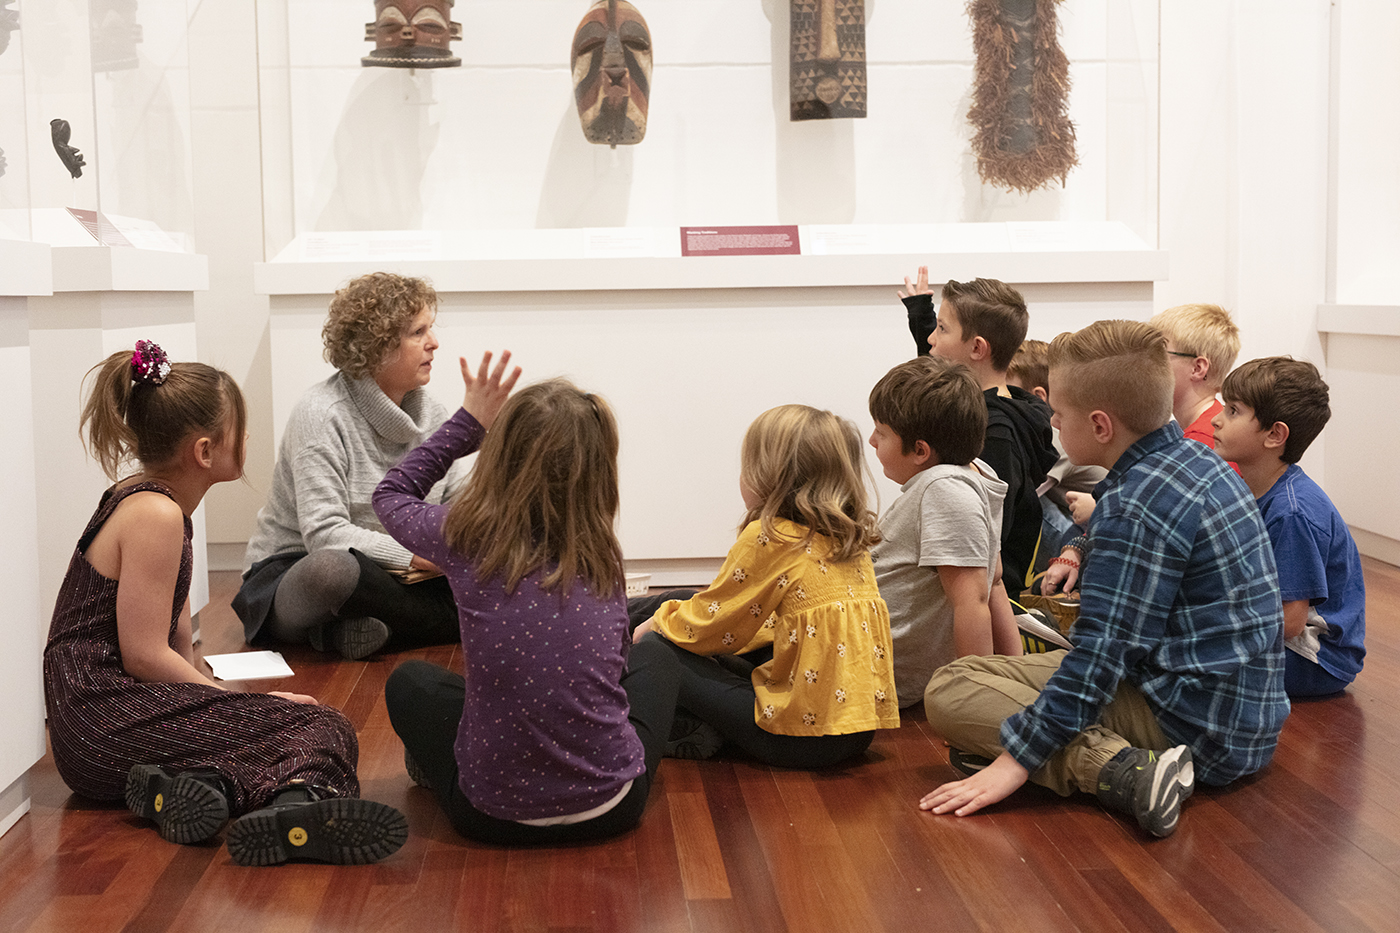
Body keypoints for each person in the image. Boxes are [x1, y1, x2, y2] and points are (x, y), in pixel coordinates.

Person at [920, 320, 1288, 838]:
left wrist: (1014, 762)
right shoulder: (1194, 458)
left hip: (1197, 728)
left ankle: (1126, 774)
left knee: (950, 691)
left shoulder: (1135, 506)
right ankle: (1083, 758)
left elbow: (1101, 657)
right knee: (982, 681)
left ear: (1099, 426)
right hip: (1244, 714)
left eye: (1059, 413)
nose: (1051, 419)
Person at [45, 342, 406, 866]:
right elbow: (144, 655)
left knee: (287, 721)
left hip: (98, 726)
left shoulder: (154, 502)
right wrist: (231, 701)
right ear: (205, 451)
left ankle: (192, 789)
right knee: (323, 726)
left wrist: (223, 703)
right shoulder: (156, 515)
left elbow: (169, 636)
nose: (250, 437)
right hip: (100, 723)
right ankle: (299, 806)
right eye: (240, 428)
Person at [376, 358, 684, 843]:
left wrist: (466, 425)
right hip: (611, 809)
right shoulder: (602, 549)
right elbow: (618, 667)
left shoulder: (466, 534)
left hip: (490, 816)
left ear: (499, 455)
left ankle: (441, 764)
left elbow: (392, 493)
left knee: (412, 681)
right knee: (660, 657)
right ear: (599, 467)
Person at [631, 404, 901, 768]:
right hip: (857, 732)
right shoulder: (848, 540)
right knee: (681, 601)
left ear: (770, 476)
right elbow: (762, 624)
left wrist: (655, 627)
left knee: (656, 647)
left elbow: (713, 624)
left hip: (800, 739)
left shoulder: (772, 536)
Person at [234, 272, 467, 659]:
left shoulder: (435, 413)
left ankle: (350, 632)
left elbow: (460, 502)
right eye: (418, 332)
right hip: (300, 568)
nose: (434, 343)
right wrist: (412, 556)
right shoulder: (320, 414)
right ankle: (431, 623)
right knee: (334, 571)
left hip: (407, 575)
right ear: (378, 347)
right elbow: (324, 535)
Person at [1045, 302, 1241, 583]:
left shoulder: (1202, 444)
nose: (1146, 361)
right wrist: (1076, 545)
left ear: (1198, 367)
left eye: (1160, 352)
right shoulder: (1173, 443)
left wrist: (1100, 512)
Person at [867, 356, 1022, 708]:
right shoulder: (974, 475)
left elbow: (973, 601)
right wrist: (1017, 672)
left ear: (920, 451)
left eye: (883, 432)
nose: (872, 440)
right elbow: (993, 581)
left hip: (875, 675)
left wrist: (975, 701)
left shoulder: (945, 490)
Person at [1212, 357, 1366, 697]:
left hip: (1313, 657)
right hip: (1285, 642)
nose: (1216, 419)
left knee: (1182, 658)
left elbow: (1290, 623)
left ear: (1274, 434)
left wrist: (1210, 628)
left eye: (1233, 411)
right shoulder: (1254, 488)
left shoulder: (1292, 512)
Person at [908, 273, 1059, 591]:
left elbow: (983, 542)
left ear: (977, 348)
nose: (932, 340)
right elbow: (938, 377)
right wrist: (921, 315)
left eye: (942, 329)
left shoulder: (993, 435)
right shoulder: (1003, 408)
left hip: (983, 598)